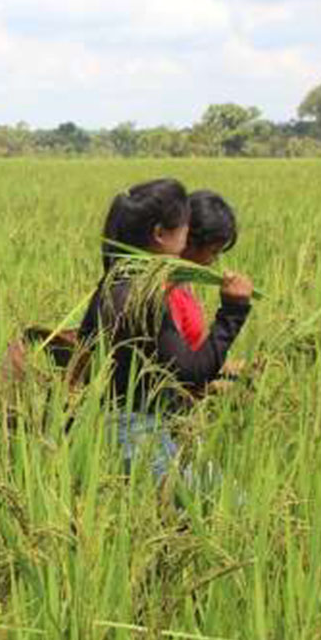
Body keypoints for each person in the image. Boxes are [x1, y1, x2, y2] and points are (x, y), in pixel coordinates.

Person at [77, 179, 254, 484]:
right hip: (137, 432)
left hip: (123, 424)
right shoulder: (143, 296)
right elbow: (191, 373)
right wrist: (232, 312)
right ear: (160, 234)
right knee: (219, 504)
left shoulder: (115, 282)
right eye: (185, 228)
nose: (187, 239)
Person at [167, 190, 240, 351]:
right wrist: (234, 310)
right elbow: (177, 362)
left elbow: (198, 351)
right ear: (189, 242)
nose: (214, 260)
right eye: (213, 252)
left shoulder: (183, 283)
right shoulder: (166, 292)